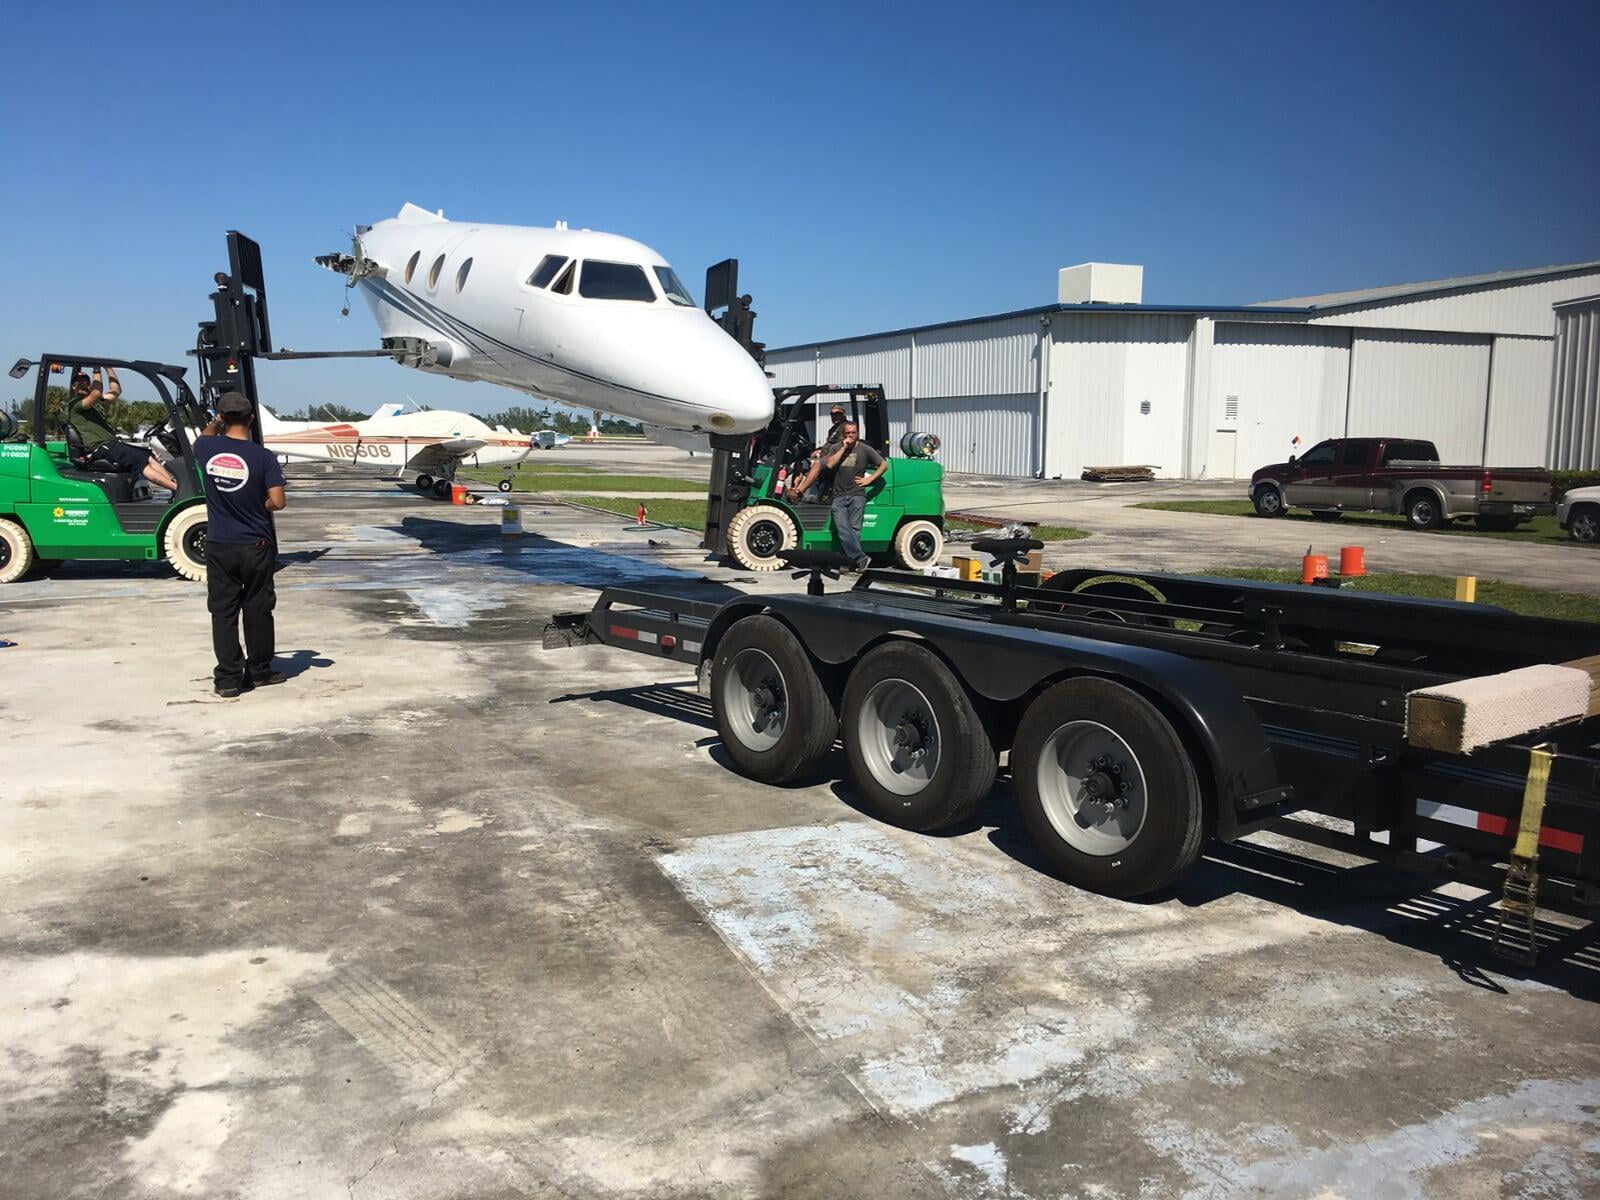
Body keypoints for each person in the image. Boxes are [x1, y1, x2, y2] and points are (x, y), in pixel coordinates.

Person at [193, 393, 287, 697]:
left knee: (223, 611)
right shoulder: (263, 458)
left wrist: (215, 422)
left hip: (220, 543)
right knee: (258, 607)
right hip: (255, 544)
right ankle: (259, 670)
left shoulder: (206, 447)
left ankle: (229, 679)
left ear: (222, 418)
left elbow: (204, 435)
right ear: (251, 419)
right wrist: (262, 504)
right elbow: (278, 502)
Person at [63, 367, 180, 491]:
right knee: (140, 462)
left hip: (111, 445)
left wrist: (108, 368)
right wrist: (96, 369)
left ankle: (177, 486)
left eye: (87, 383)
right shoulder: (75, 405)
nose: (84, 386)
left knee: (149, 455)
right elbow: (96, 393)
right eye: (79, 383)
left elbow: (116, 391)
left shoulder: (97, 403)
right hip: (99, 448)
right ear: (73, 387)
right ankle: (177, 489)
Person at [818, 422, 885, 570]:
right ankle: (860, 558)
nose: (850, 436)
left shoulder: (865, 449)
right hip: (839, 496)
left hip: (857, 495)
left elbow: (883, 465)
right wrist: (843, 447)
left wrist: (869, 479)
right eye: (848, 433)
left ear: (858, 433)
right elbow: (829, 465)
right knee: (842, 530)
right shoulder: (836, 448)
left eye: (853, 433)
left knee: (854, 530)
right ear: (843, 434)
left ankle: (849, 563)